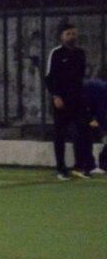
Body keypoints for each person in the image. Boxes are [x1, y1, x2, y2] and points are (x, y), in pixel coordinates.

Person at [45, 22, 91, 180]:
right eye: (68, 34)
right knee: (60, 135)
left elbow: (80, 77)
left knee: (82, 132)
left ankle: (80, 166)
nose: (71, 37)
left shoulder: (80, 53)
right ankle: (61, 169)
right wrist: (55, 96)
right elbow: (49, 77)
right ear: (61, 36)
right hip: (61, 100)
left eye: (73, 34)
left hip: (77, 100)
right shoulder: (56, 53)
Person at [83, 78, 107, 175]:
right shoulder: (102, 91)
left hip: (91, 107)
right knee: (85, 136)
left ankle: (99, 165)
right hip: (86, 107)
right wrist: (95, 120)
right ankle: (91, 165)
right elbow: (102, 108)